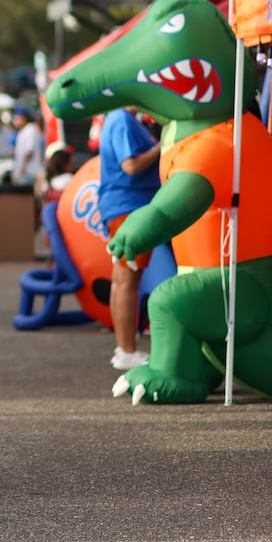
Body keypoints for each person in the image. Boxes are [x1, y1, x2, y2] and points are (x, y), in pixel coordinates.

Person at [98, 107, 163, 371]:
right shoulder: (121, 119)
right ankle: (127, 350)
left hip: (124, 206)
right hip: (129, 207)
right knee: (127, 280)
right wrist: (162, 146)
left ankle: (124, 347)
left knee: (122, 280)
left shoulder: (117, 118)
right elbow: (131, 165)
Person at [11, 106, 44, 188]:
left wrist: (22, 169)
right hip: (25, 173)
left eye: (16, 119)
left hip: (29, 172)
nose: (14, 121)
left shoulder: (31, 129)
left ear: (23, 118)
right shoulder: (23, 131)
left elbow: (29, 152)